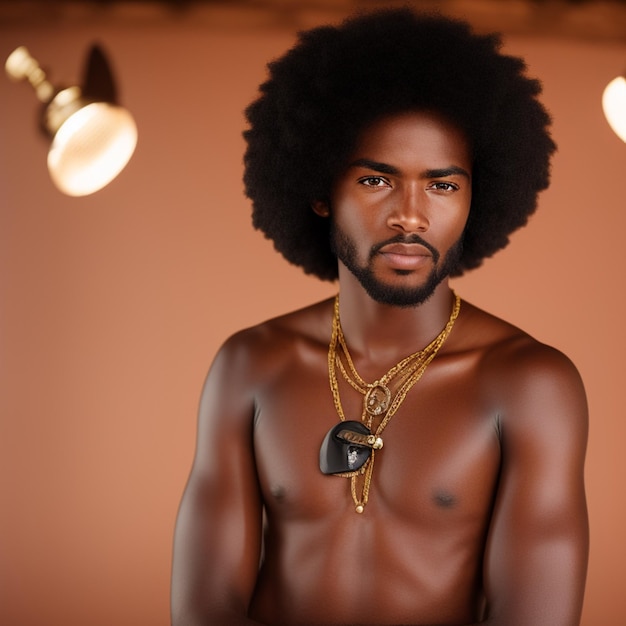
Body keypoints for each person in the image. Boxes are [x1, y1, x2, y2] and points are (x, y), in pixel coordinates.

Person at [171, 8, 589, 626]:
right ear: (319, 190)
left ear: (480, 197)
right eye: (376, 179)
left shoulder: (531, 385)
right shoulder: (251, 364)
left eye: (443, 186)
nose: (411, 216)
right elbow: (206, 609)